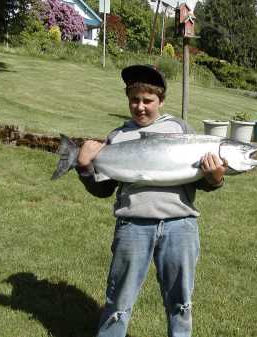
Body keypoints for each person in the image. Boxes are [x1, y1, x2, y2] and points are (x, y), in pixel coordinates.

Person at [76, 64, 227, 337]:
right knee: (118, 301)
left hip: (180, 226)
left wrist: (215, 178)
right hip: (132, 227)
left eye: (148, 100)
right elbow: (103, 190)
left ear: (161, 101)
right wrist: (85, 168)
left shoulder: (181, 130)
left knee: (180, 302)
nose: (140, 107)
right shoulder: (117, 137)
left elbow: (202, 182)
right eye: (134, 100)